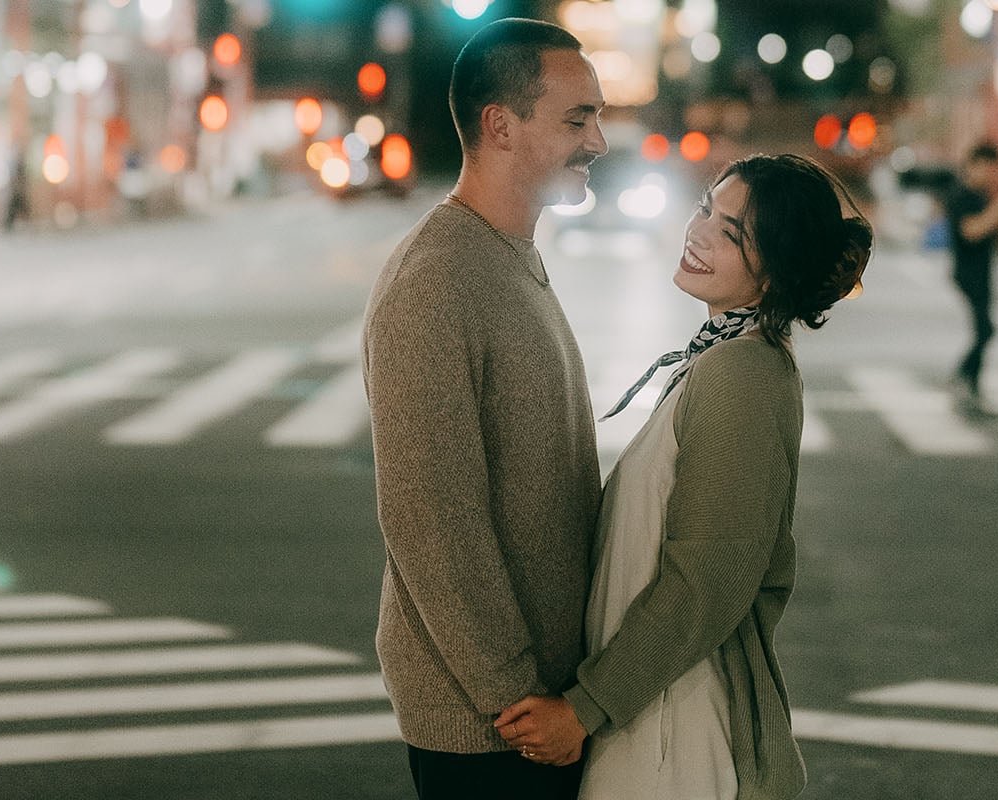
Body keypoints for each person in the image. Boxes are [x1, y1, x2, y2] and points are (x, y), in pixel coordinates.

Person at [495, 154, 872, 800]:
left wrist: (585, 708)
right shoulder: (726, 356)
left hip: (679, 734)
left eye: (732, 232)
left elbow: (707, 580)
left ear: (776, 267)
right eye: (704, 210)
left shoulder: (740, 374)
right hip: (659, 715)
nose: (697, 233)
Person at [361, 17, 607, 800]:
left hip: (537, 704)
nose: (598, 141)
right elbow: (430, 515)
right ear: (500, 125)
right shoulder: (437, 280)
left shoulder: (507, 256)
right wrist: (514, 696)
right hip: (492, 724)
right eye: (577, 119)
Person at [947, 143, 998, 408]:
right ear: (974, 165)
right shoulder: (962, 194)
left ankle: (970, 382)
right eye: (988, 168)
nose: (992, 174)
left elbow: (996, 238)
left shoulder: (982, 196)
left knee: (985, 330)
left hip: (982, 271)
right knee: (985, 329)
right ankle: (963, 377)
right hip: (968, 272)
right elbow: (970, 231)